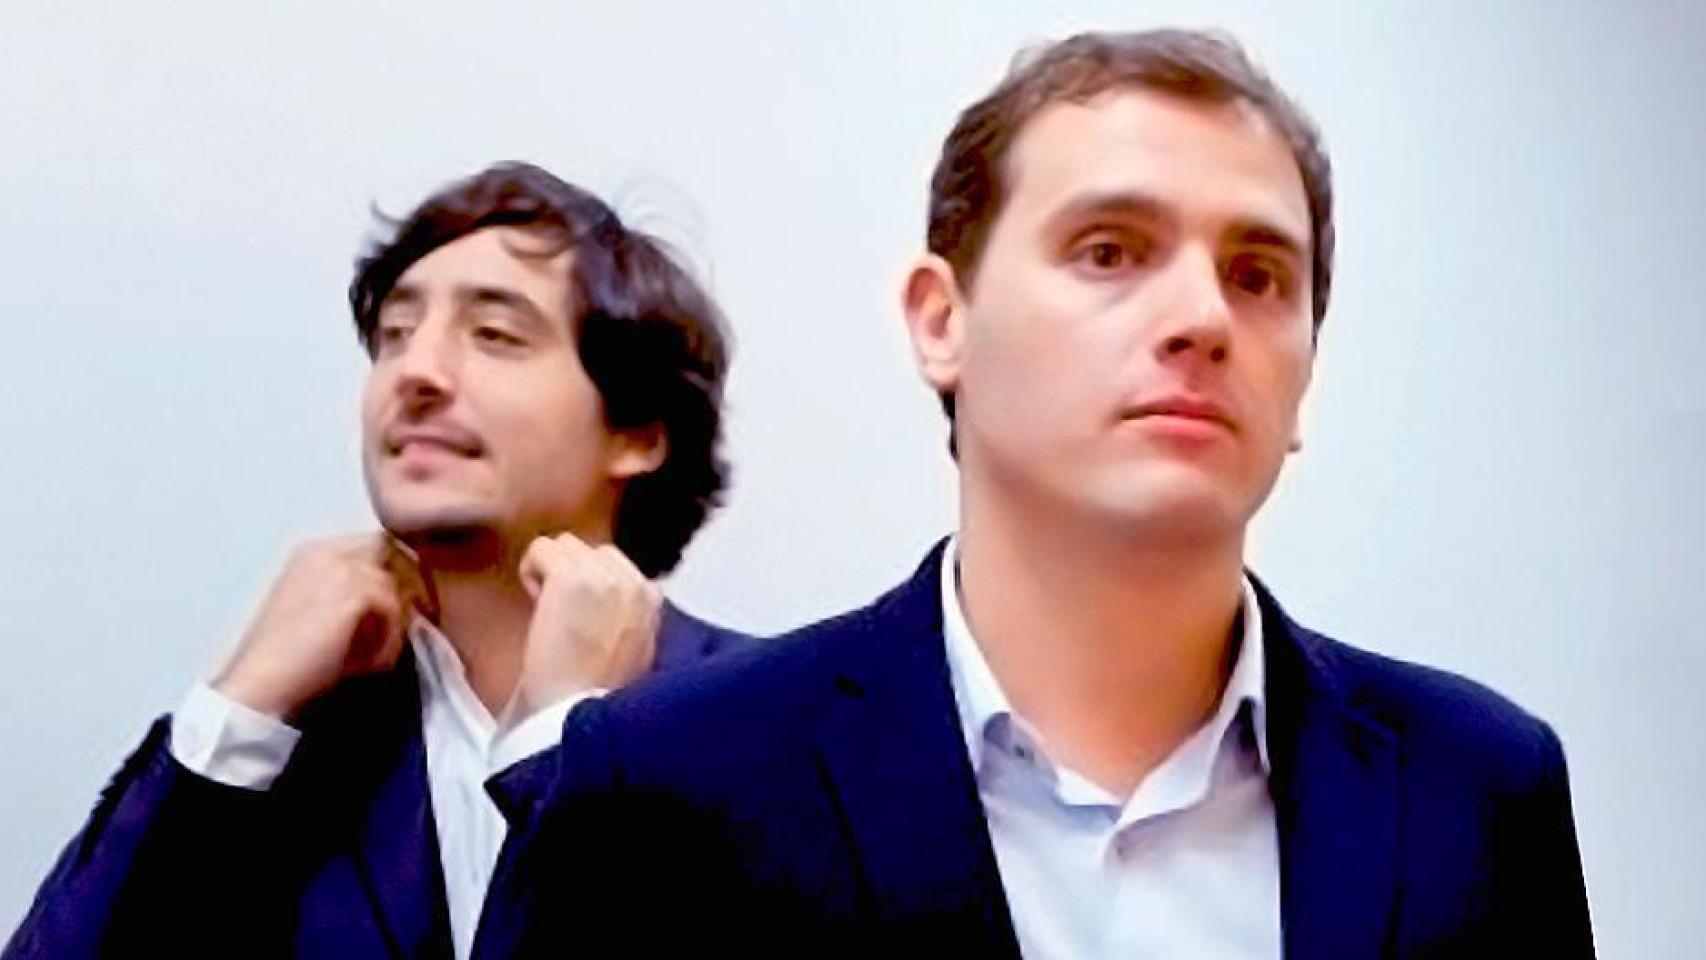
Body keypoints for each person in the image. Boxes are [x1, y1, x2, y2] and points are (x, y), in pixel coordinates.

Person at [476, 31, 1594, 958]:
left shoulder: (1477, 788)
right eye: (1109, 252)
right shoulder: (665, 782)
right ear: (941, 321)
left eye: (1258, 276)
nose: (1202, 319)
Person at [7, 162, 750, 959]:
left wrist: (562, 744)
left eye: (495, 336)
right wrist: (239, 708)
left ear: (638, 432)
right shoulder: (287, 746)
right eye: (394, 336)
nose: (416, 373)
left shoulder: (766, 723)